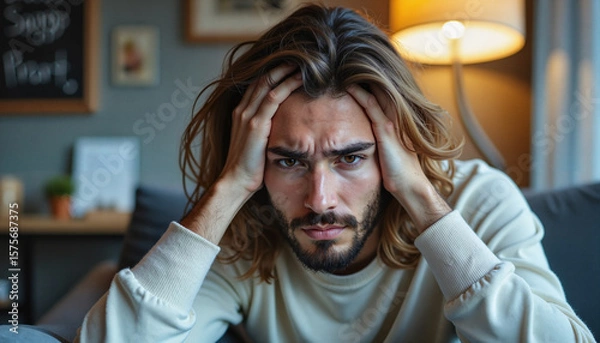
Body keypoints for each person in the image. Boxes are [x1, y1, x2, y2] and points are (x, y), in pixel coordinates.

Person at [76, 4, 595, 342]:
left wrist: (419, 196)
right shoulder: (247, 231)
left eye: (350, 158)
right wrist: (229, 187)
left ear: (397, 148)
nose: (320, 199)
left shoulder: (480, 201)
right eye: (289, 161)